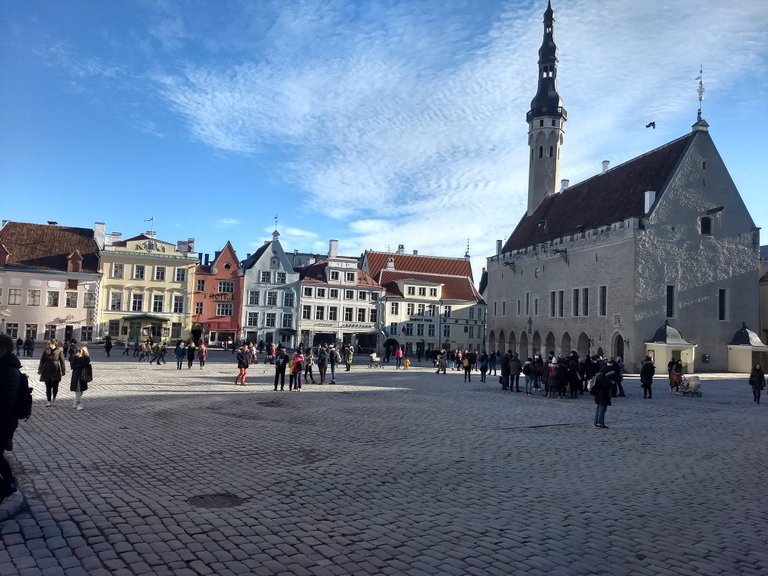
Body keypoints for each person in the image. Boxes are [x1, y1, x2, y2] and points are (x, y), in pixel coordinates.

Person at [0, 334, 22, 501]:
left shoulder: (10, 371)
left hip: (4, 421)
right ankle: (8, 483)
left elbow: (7, 401)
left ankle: (7, 486)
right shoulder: (3, 366)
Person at [38, 339, 66, 407]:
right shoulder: (46, 350)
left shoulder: (59, 350)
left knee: (55, 386)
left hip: (55, 369)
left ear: (54, 344)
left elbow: (62, 361)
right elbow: (42, 360)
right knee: (48, 386)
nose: (49, 345)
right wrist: (40, 369)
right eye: (48, 344)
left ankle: (54, 399)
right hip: (46, 369)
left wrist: (63, 370)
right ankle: (49, 401)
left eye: (50, 344)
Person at [70, 345, 91, 411]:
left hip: (83, 375)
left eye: (80, 351)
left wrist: (84, 356)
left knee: (81, 390)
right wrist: (78, 358)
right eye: (78, 351)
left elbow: (87, 363)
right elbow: (73, 366)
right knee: (78, 389)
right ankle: (79, 404)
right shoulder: (74, 357)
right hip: (76, 375)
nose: (78, 352)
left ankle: (75, 402)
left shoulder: (85, 358)